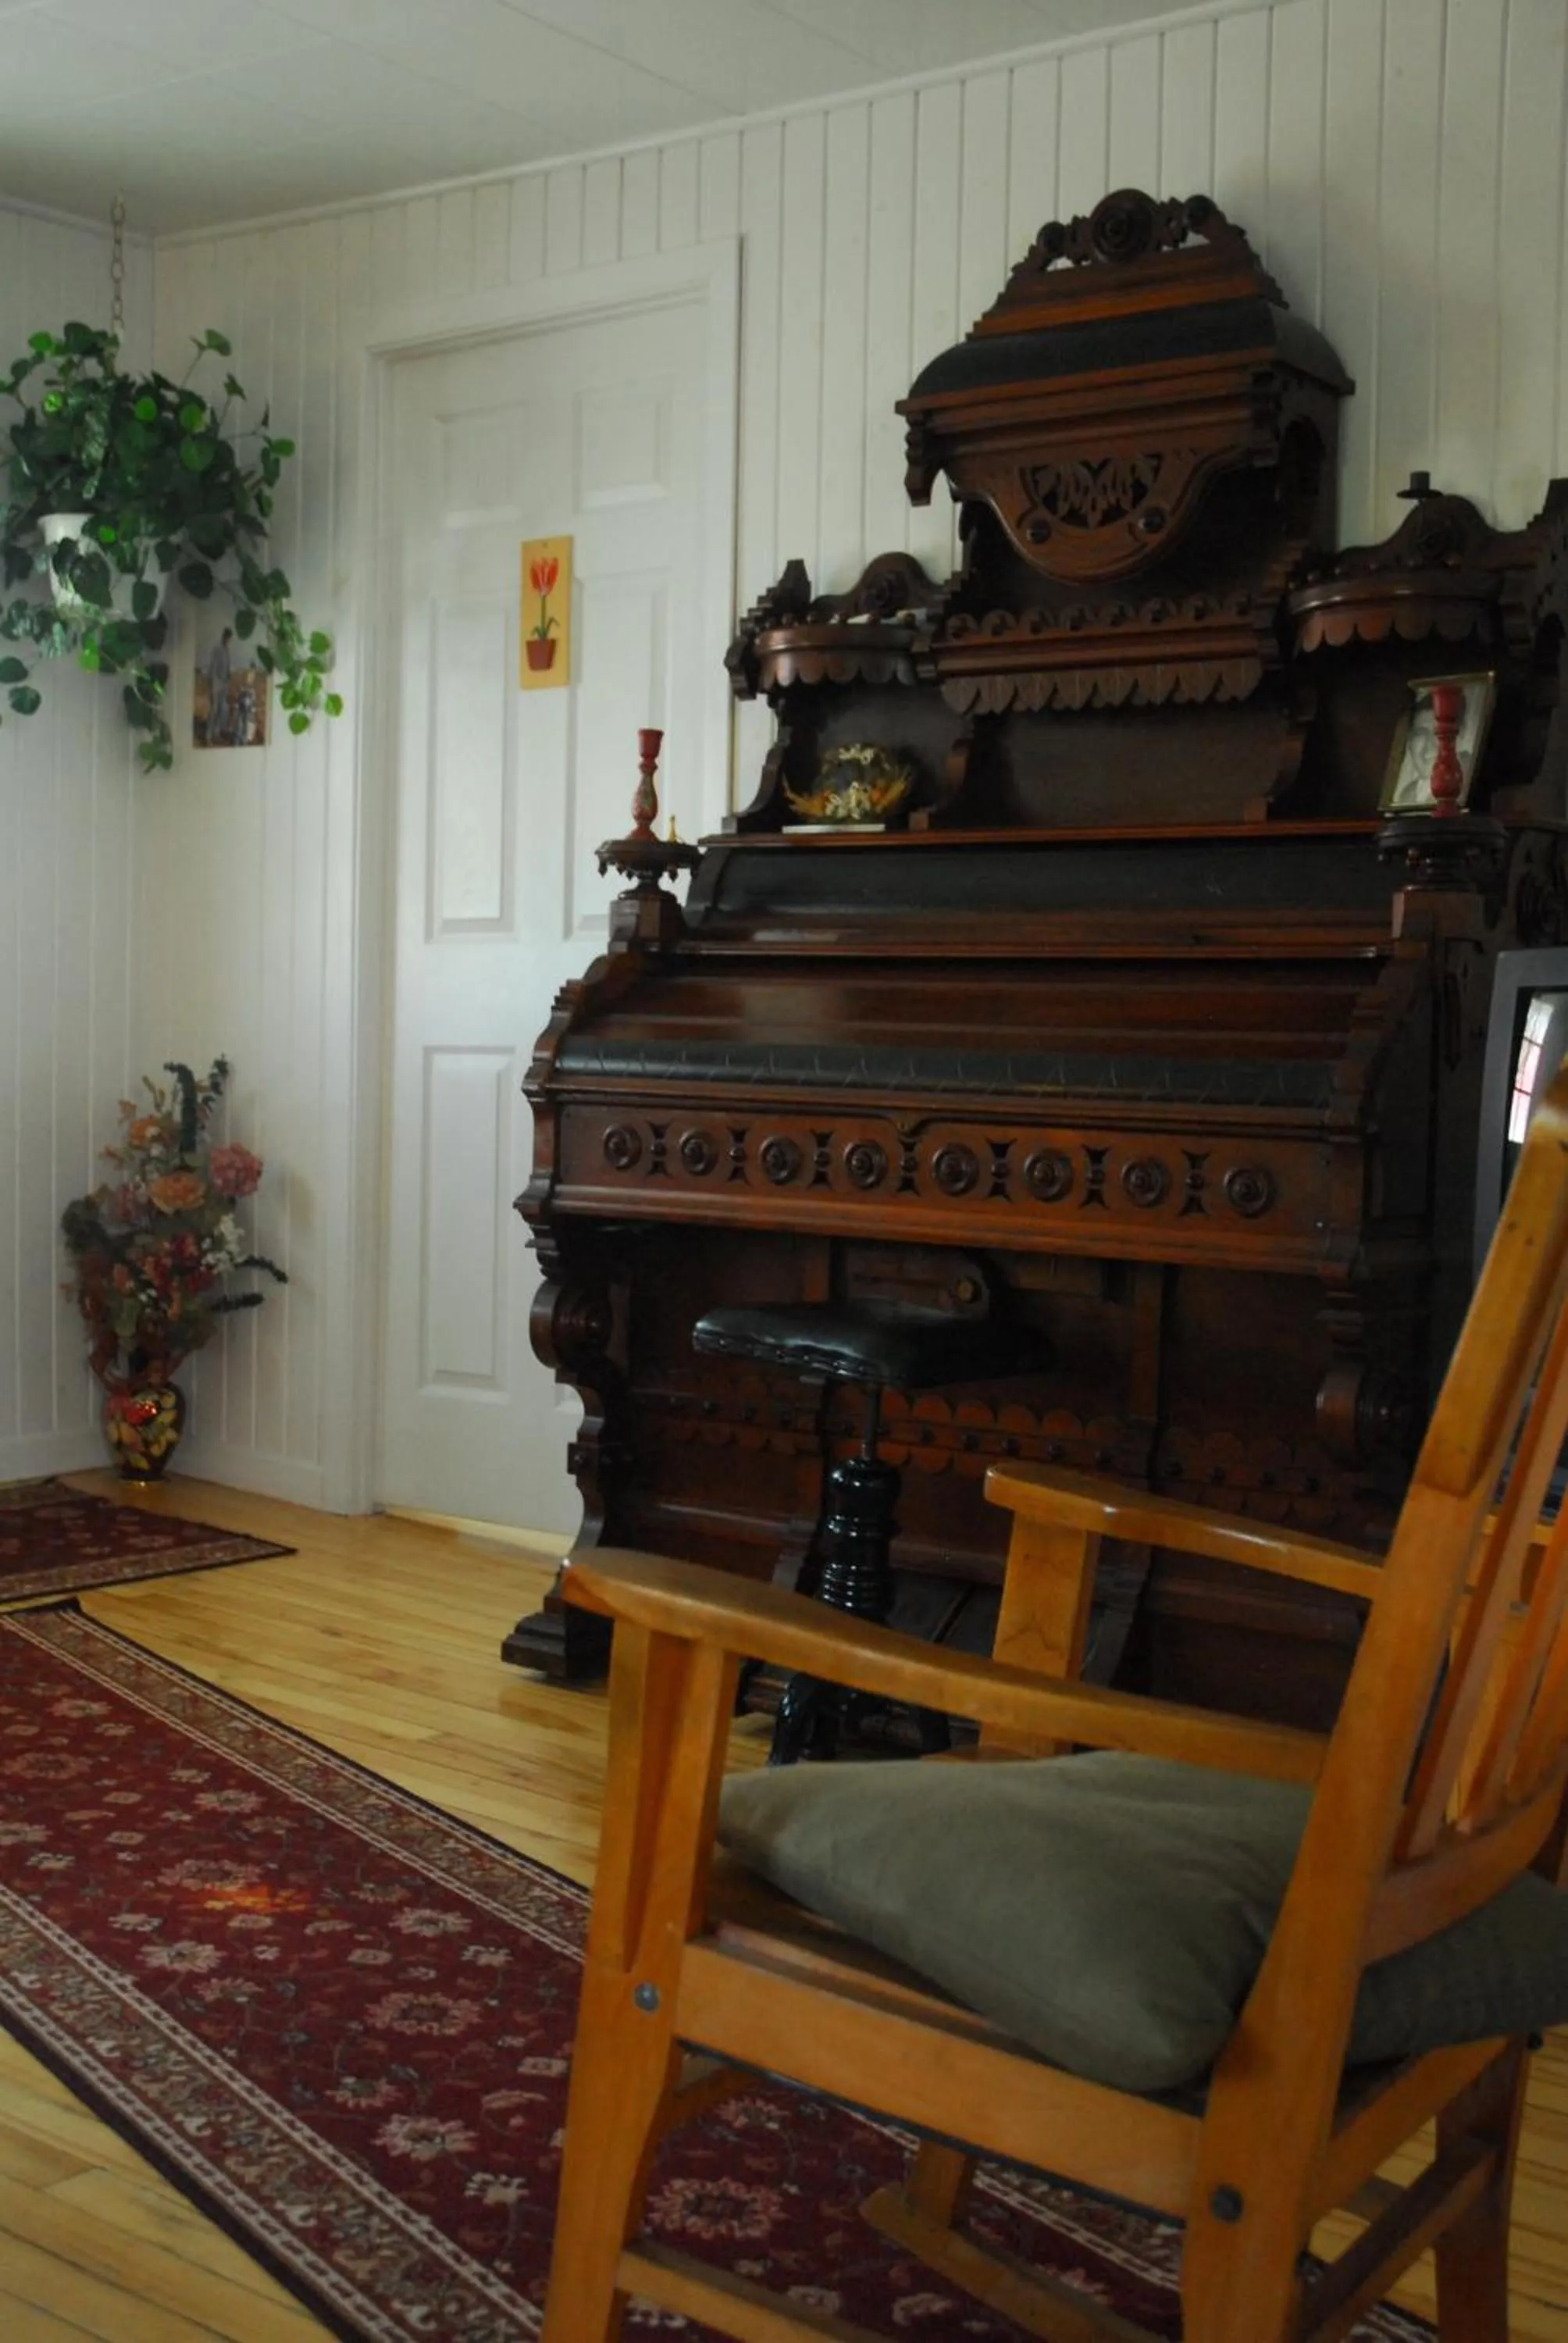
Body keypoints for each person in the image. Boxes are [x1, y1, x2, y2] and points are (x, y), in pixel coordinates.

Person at [202, 629, 233, 746]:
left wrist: (229, 675)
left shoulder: (227, 651)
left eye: (230, 639)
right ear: (223, 637)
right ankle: (208, 736)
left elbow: (228, 666)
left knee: (221, 709)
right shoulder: (217, 649)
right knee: (214, 709)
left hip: (224, 683)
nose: (228, 641)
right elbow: (213, 666)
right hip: (215, 682)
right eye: (227, 638)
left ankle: (216, 733)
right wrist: (210, 683)